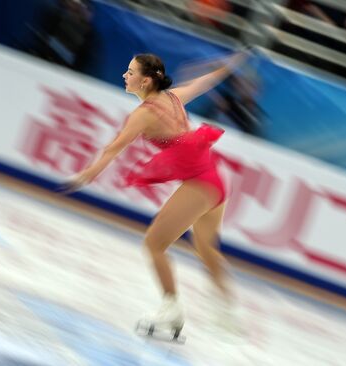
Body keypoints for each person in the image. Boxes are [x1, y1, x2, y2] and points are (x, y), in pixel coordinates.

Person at [65, 51, 249, 336]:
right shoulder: (174, 97)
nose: (125, 75)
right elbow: (205, 81)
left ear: (146, 81)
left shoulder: (145, 114)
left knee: (154, 244)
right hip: (214, 179)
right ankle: (229, 311)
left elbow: (114, 147)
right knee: (205, 248)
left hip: (200, 184)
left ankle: (171, 309)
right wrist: (228, 63)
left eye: (131, 72)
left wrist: (89, 173)